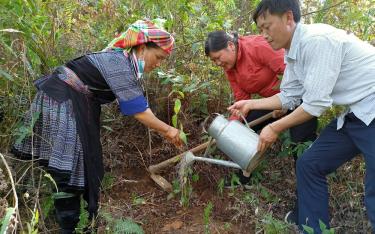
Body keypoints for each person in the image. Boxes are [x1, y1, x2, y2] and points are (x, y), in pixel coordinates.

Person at [12, 19, 182, 233]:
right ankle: (70, 225)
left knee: (79, 163)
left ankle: (77, 220)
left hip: (71, 101)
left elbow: (135, 103)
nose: (158, 64)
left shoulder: (122, 62)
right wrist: (168, 129)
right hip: (63, 102)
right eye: (158, 57)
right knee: (72, 166)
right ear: (141, 47)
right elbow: (137, 109)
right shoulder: (119, 63)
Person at [229, 0, 375, 232]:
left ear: (288, 18)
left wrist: (274, 128)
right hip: (357, 114)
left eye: (267, 27)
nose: (264, 35)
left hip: (373, 108)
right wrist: (251, 103)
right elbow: (289, 96)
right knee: (309, 164)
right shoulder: (293, 52)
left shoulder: (317, 41)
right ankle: (312, 228)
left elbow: (315, 104)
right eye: (260, 30)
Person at [204, 31, 317, 210]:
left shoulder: (258, 47)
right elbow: (241, 98)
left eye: (218, 57)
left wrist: (286, 102)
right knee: (241, 130)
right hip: (270, 103)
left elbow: (292, 72)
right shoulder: (230, 68)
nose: (218, 63)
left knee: (301, 147)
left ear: (230, 46)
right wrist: (232, 126)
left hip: (301, 98)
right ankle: (244, 177)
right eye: (214, 61)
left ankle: (307, 202)